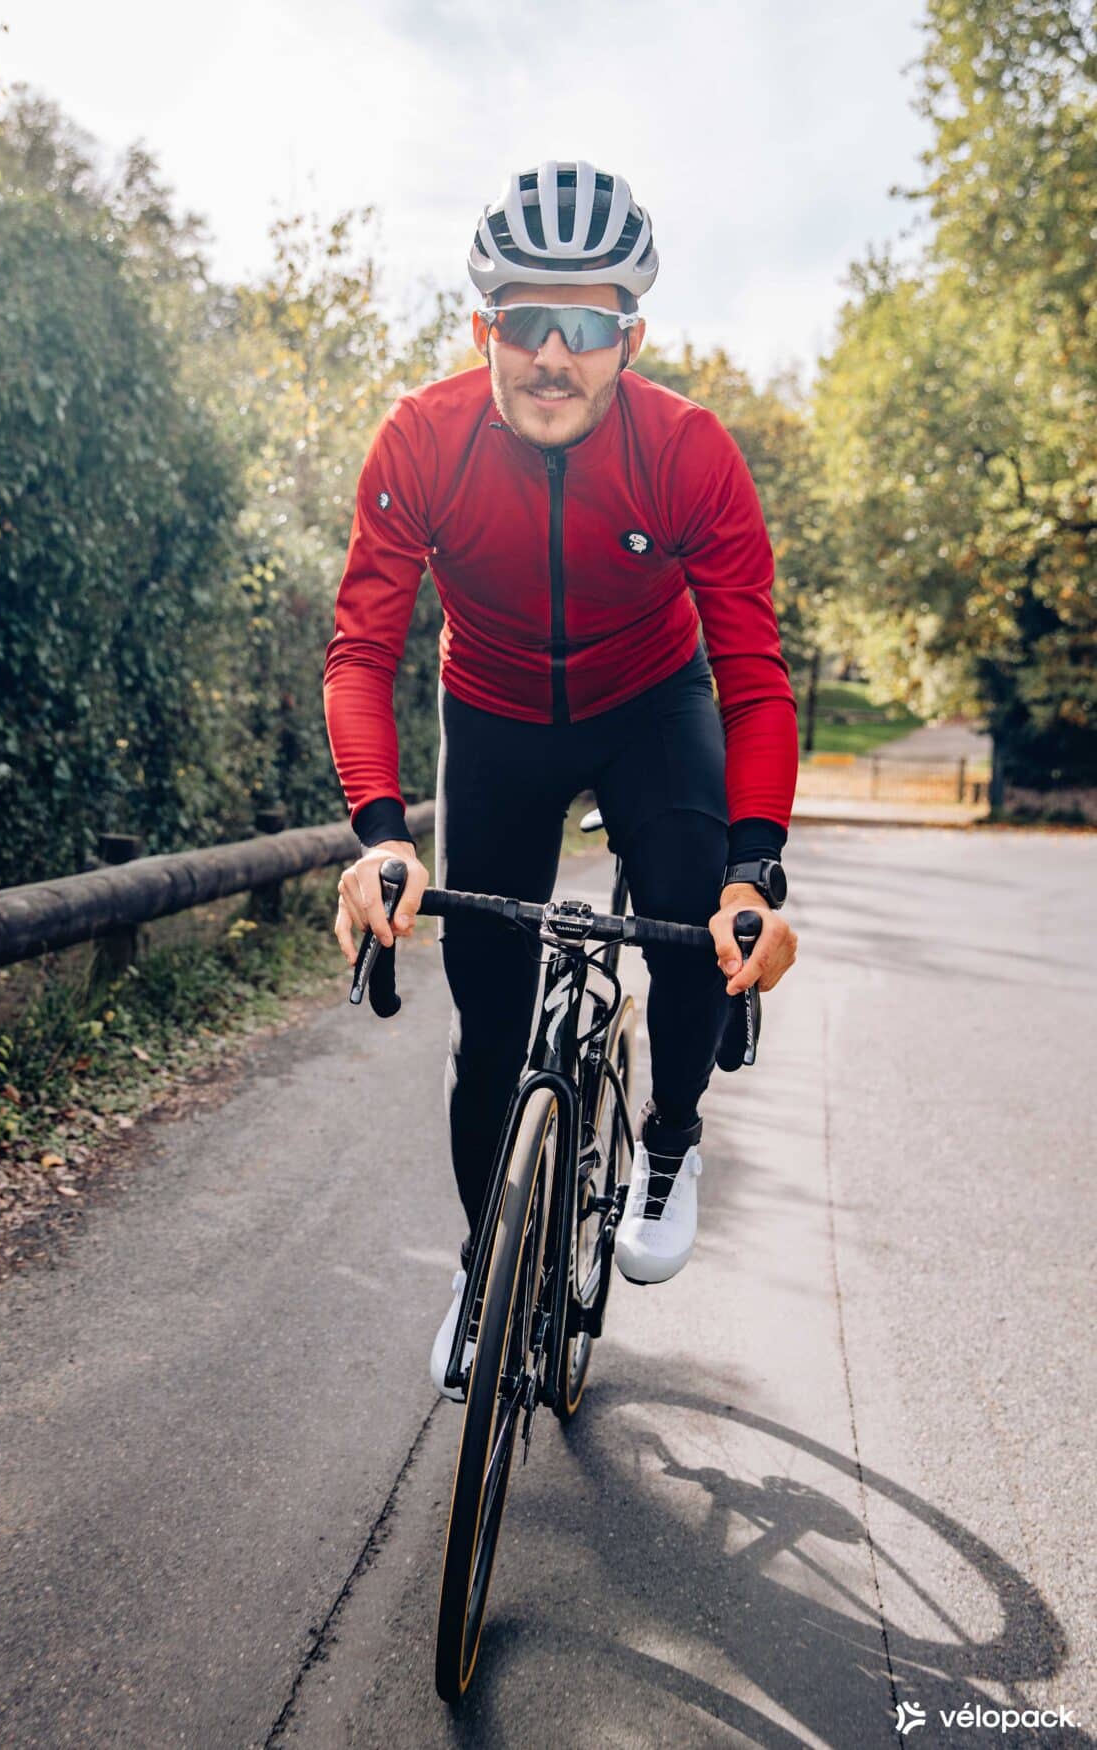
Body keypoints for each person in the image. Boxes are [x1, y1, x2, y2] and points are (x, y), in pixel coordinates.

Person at [324, 161, 799, 1398]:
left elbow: (750, 670)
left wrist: (753, 872)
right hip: (492, 715)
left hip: (652, 705)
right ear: (482, 328)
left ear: (627, 339)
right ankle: (485, 1269)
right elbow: (362, 650)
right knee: (487, 1015)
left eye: (584, 327)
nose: (551, 353)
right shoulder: (419, 440)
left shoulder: (687, 452)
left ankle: (669, 1141)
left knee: (694, 916)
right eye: (525, 322)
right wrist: (379, 835)